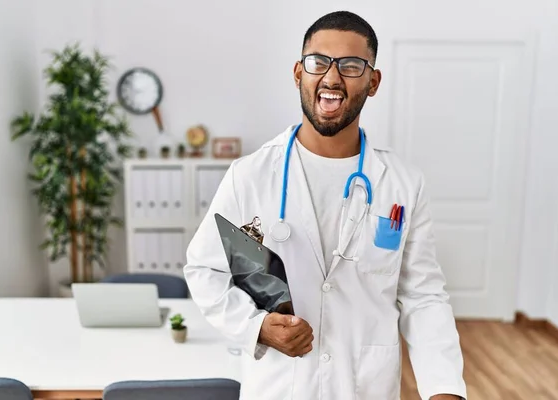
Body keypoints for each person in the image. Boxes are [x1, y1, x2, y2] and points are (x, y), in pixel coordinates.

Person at [183, 10, 467, 400]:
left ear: (373, 81)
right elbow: (204, 270)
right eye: (319, 62)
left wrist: (444, 388)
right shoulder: (249, 175)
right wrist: (257, 327)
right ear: (299, 72)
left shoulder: (403, 183)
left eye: (352, 66)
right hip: (280, 386)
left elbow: (423, 295)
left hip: (365, 386)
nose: (332, 77)